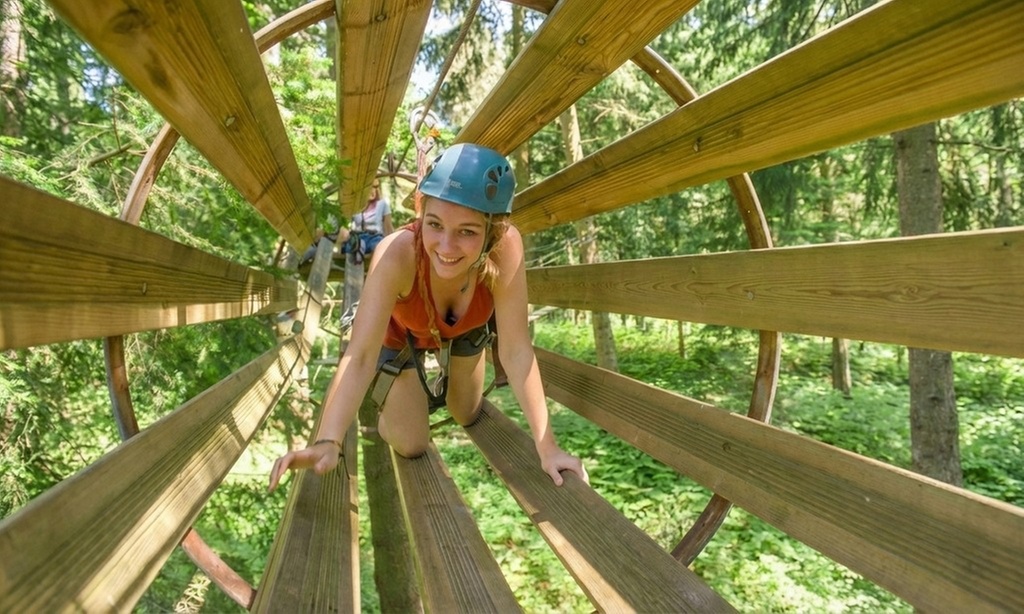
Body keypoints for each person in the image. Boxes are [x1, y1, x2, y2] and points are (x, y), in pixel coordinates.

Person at [269, 144, 587, 490]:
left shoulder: (506, 246)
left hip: (465, 330)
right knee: (412, 443)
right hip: (399, 337)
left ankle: (452, 371)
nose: (446, 247)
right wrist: (328, 440)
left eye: (467, 231)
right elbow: (359, 355)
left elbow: (516, 349)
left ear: (493, 232)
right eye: (434, 224)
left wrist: (548, 447)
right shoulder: (396, 254)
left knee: (467, 413)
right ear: (420, 212)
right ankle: (396, 403)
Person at [300, 180, 394, 265]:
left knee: (378, 247)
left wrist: (392, 246)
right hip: (357, 237)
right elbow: (345, 225)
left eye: (376, 187)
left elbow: (388, 227)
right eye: (370, 187)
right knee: (351, 248)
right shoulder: (354, 205)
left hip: (374, 237)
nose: (373, 191)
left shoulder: (382, 204)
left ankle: (375, 266)